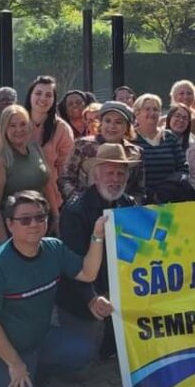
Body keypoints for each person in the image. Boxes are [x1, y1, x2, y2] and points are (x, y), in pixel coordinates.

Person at [0, 191, 108, 387]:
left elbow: (87, 273)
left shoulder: (54, 248)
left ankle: (35, 376)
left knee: (82, 351)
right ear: (10, 224)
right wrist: (14, 363)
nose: (35, 224)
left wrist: (97, 236)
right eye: (25, 219)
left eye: (41, 217)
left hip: (38, 339)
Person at [57, 144, 141, 359]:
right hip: (85, 292)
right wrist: (91, 298)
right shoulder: (75, 210)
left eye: (120, 173)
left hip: (120, 290)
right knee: (80, 364)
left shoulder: (129, 204)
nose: (115, 179)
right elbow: (72, 264)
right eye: (109, 173)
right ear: (95, 176)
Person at [0, 105, 50, 259]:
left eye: (22, 124)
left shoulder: (35, 148)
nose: (18, 129)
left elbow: (46, 181)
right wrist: (4, 246)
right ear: (4, 129)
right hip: (8, 231)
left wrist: (56, 216)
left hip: (34, 225)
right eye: (12, 125)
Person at [59, 101, 145, 204]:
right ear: (101, 123)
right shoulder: (83, 145)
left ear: (127, 127)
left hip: (121, 212)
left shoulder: (136, 152)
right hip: (85, 209)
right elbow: (66, 178)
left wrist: (129, 205)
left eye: (118, 122)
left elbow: (139, 189)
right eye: (107, 121)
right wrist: (78, 201)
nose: (112, 126)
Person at [24, 76, 75, 220]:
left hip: (51, 200)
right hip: (18, 196)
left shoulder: (61, 128)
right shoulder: (16, 122)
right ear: (30, 95)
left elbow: (66, 167)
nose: (43, 99)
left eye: (48, 95)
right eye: (38, 93)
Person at [132, 94, 192, 204]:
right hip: (142, 204)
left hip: (171, 200)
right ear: (137, 113)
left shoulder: (170, 137)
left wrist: (169, 186)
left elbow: (183, 168)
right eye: (147, 109)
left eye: (155, 109)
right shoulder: (130, 140)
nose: (152, 113)